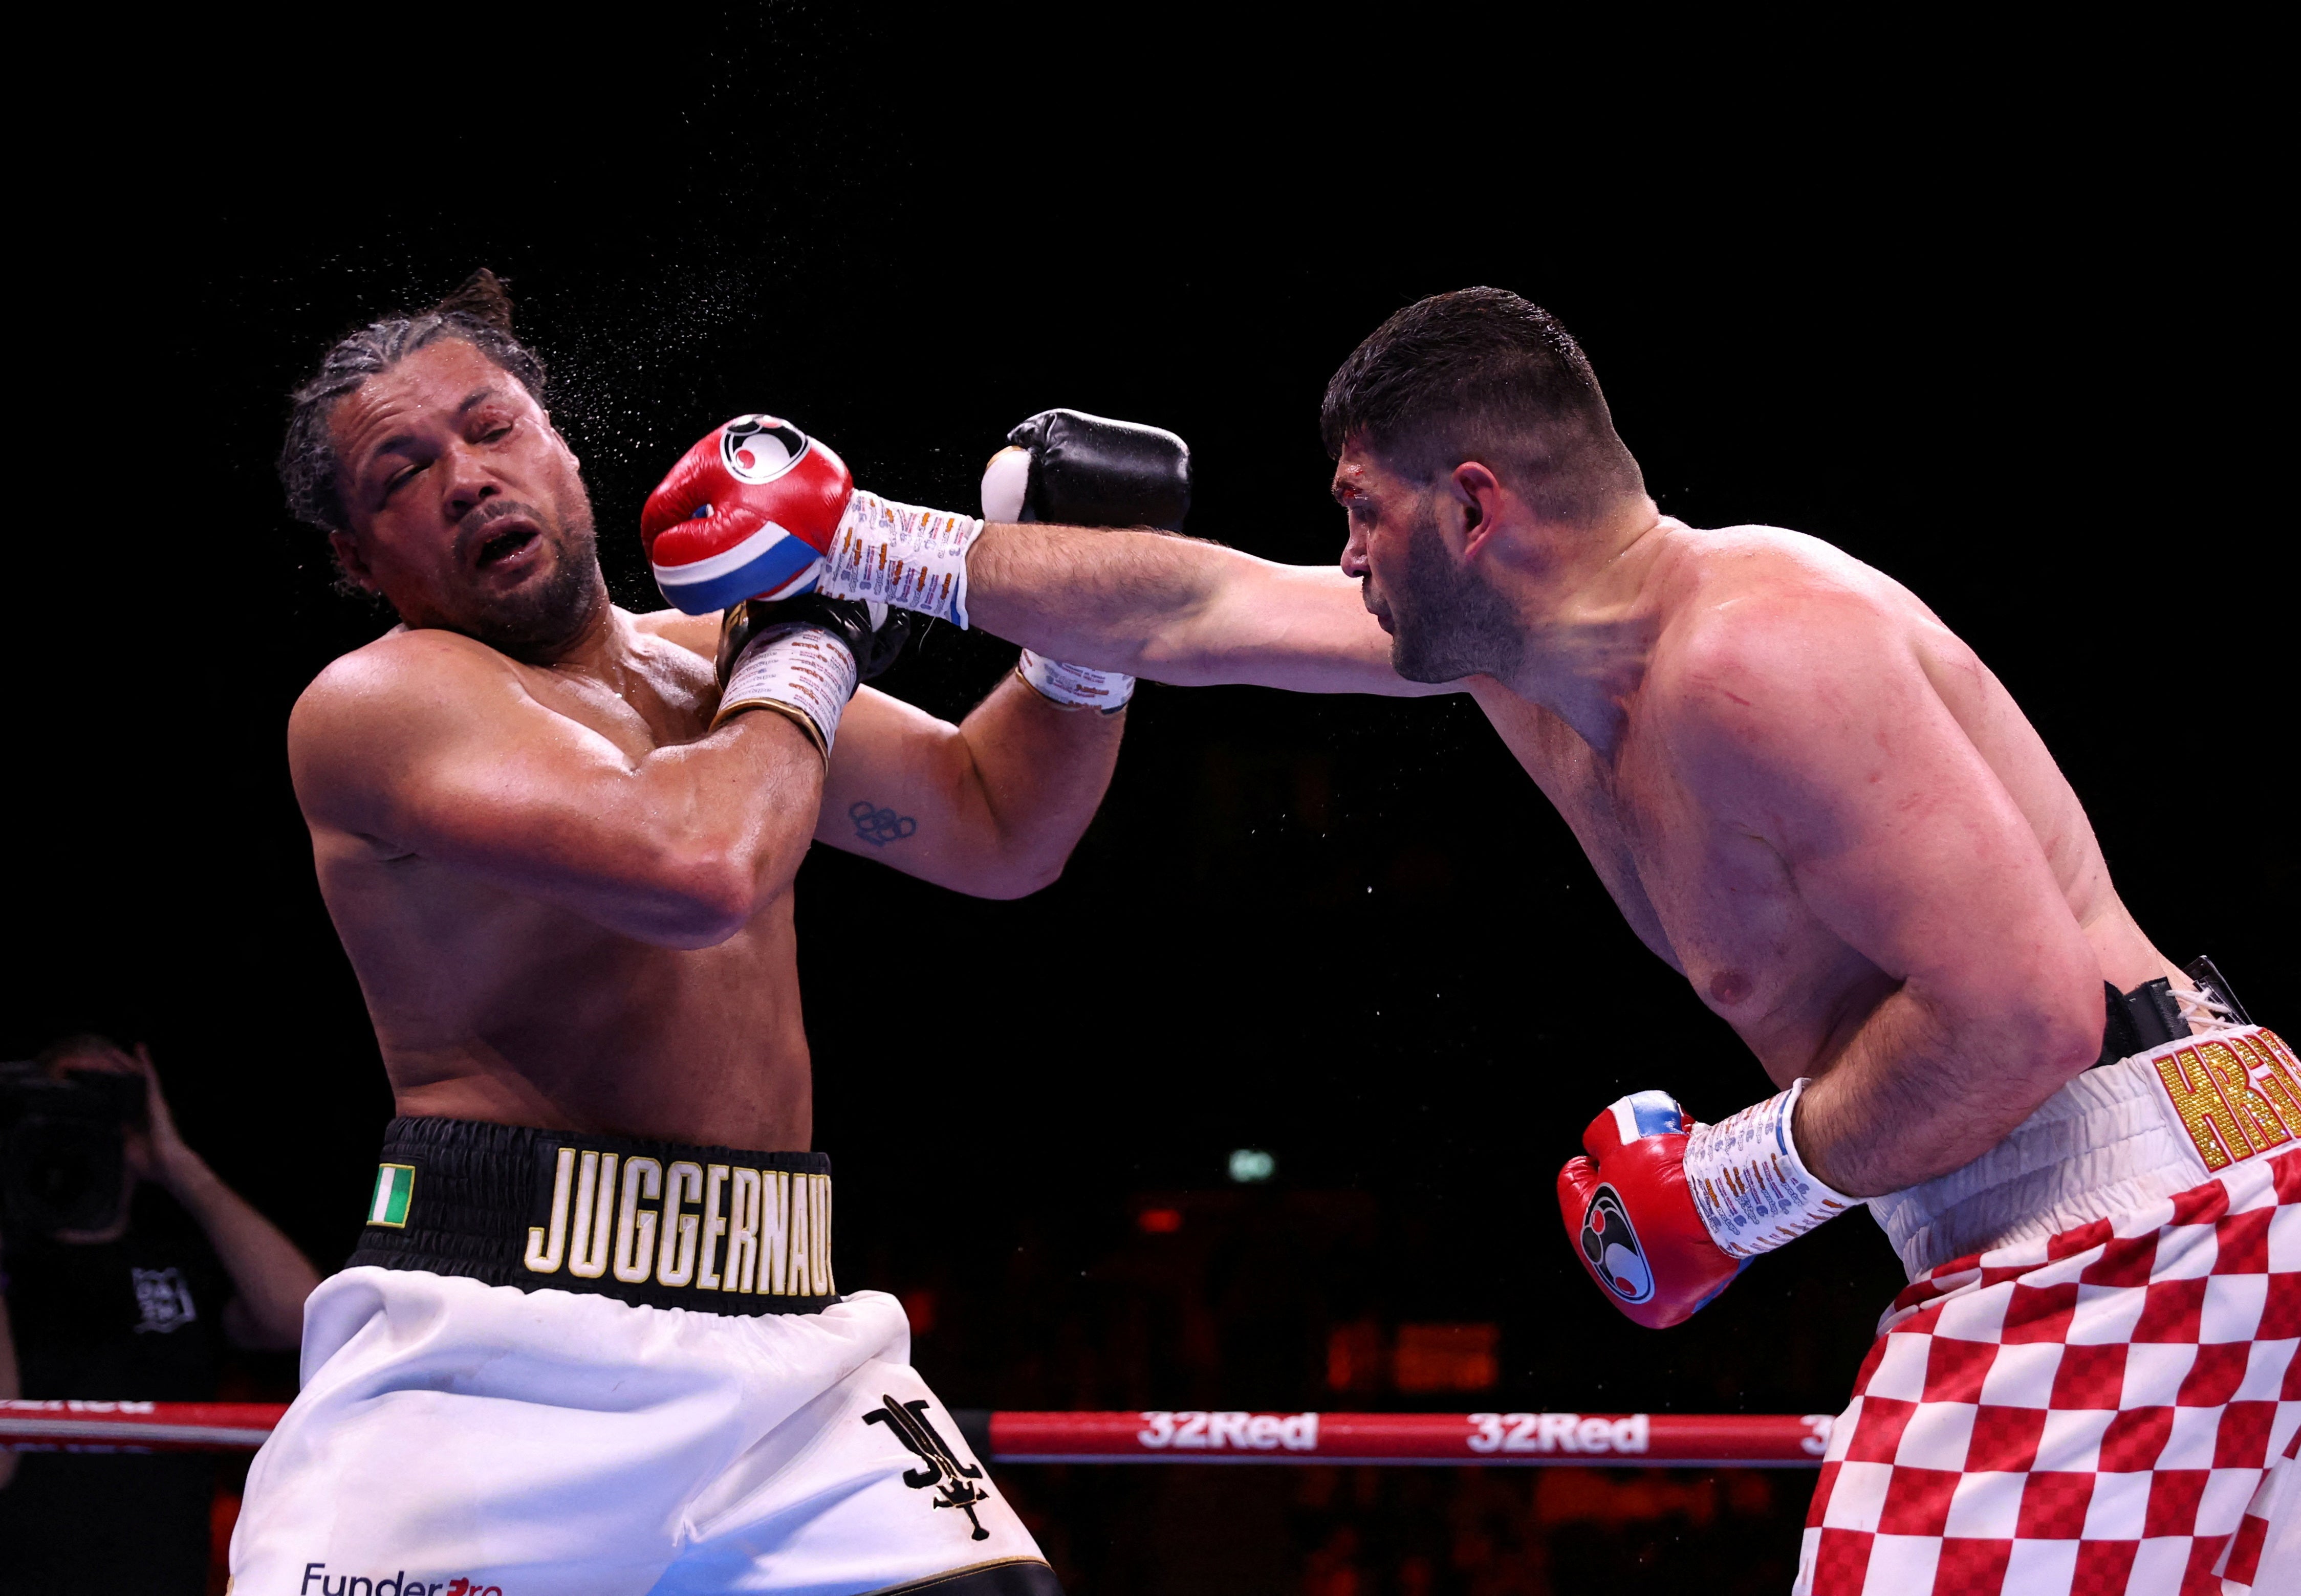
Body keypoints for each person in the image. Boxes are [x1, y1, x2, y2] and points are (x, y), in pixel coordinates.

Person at [716, 287, 2295, 1593]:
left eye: (1359, 512)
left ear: (1472, 506)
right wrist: (847, 536)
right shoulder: (1522, 669)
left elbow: (2023, 1017)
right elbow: (1186, 612)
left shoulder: (1753, 650)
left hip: (2127, 1210)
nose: (1340, 557)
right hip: (2161, 1195)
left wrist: (1733, 1189)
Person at [236, 272, 1156, 1594]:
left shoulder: (715, 676)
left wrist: (1085, 632)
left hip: (791, 1344)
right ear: (358, 558)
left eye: (491, 427)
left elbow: (1002, 822)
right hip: (495, 1351)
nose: (466, 477)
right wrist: (814, 640)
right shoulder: (375, 705)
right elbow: (696, 866)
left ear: (556, 435)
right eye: (402, 471)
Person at [0, 1035, 318, 1594]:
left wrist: (179, 1165)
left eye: (109, 1097)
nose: (87, 1116)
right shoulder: (10, 1263)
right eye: (66, 1095)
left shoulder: (182, 1261)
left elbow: (300, 1316)